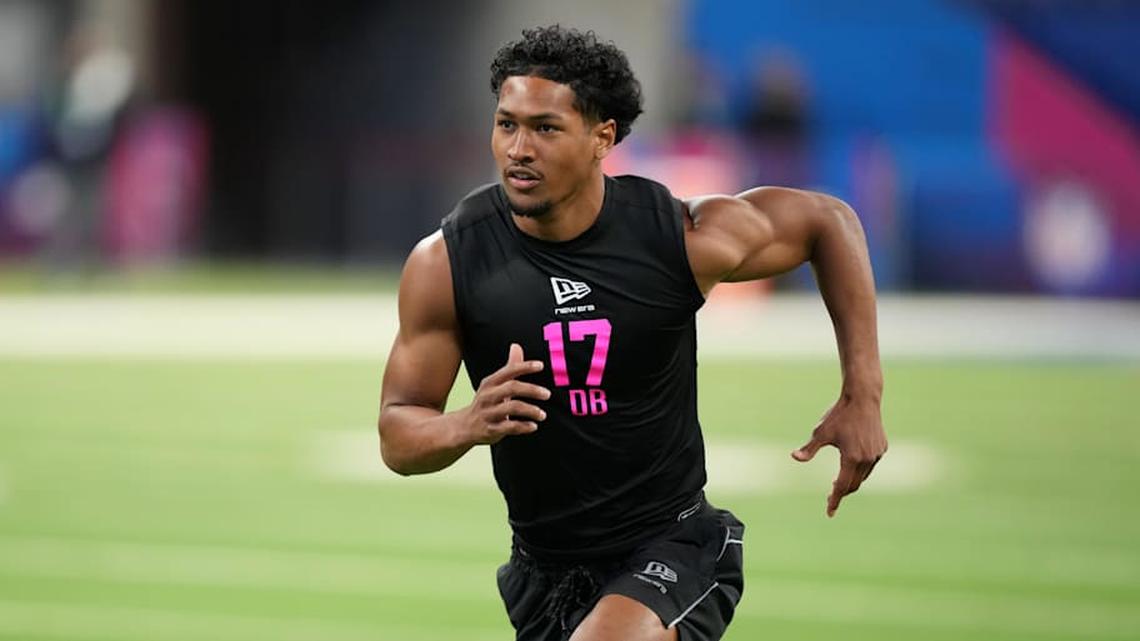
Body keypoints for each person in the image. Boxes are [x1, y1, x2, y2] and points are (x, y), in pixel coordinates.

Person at [377, 26, 887, 641]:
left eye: (545, 128)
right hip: (543, 571)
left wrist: (863, 395)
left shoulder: (676, 238)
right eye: (506, 124)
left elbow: (829, 221)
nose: (518, 149)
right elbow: (398, 434)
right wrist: (465, 423)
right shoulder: (448, 261)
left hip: (673, 544)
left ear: (603, 137)